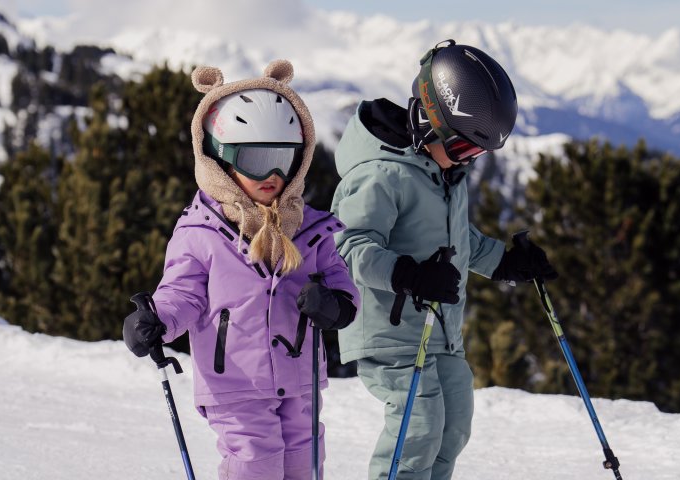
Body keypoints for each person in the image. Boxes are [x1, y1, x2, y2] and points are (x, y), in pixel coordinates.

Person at [331, 40, 558, 480]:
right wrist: (407, 275)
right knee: (417, 429)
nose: (466, 162)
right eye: (461, 150)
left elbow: (458, 241)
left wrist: (506, 263)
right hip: (391, 331)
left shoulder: (443, 174)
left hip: (440, 328)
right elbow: (348, 245)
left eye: (476, 155)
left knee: (453, 427)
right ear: (427, 123)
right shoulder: (382, 175)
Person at [123, 60, 359, 480]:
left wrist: (335, 307)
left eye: (283, 158)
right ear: (220, 160)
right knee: (256, 464)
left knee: (305, 465)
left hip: (299, 376)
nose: (272, 174)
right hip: (234, 381)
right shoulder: (201, 233)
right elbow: (183, 293)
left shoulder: (310, 229)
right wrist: (156, 319)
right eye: (256, 159)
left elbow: (343, 287)